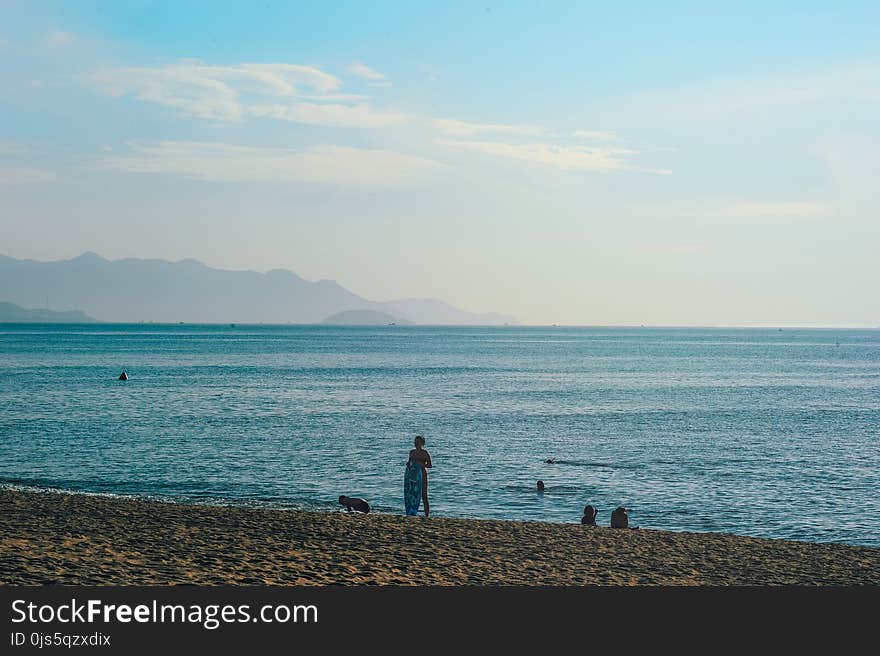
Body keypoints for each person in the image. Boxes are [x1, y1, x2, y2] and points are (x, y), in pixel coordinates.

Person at [409, 435, 432, 517]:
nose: (416, 443)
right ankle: (411, 513)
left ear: (422, 443)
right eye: (415, 442)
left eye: (418, 442)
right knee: (412, 494)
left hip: (422, 476)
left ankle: (427, 515)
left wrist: (422, 464)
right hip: (413, 476)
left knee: (424, 496)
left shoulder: (425, 453)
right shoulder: (412, 452)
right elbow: (409, 464)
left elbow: (430, 465)